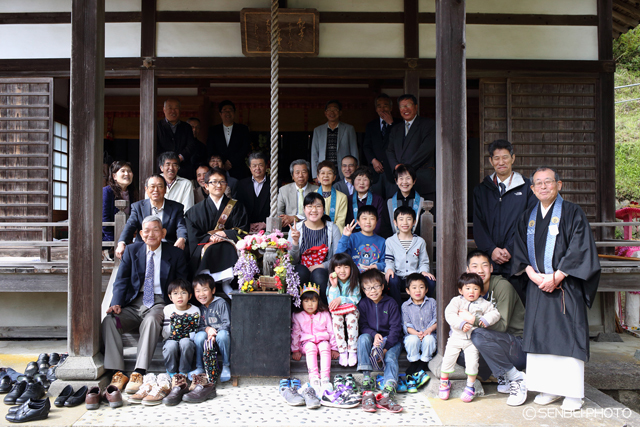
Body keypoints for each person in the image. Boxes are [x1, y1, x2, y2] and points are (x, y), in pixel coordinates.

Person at [512, 167, 600, 411]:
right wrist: (532, 274)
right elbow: (519, 250)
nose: (543, 187)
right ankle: (548, 389)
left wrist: (557, 276)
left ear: (558, 185)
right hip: (537, 286)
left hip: (565, 287)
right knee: (539, 337)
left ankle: (572, 393)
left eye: (548, 182)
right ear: (531, 189)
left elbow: (580, 248)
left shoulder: (573, 212)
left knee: (567, 337)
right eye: (538, 183)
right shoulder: (528, 217)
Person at [102, 216, 189, 391]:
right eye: (147, 231)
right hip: (134, 302)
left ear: (163, 232)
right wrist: (116, 302)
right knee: (111, 321)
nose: (151, 234)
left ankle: (138, 372)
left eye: (156, 230)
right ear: (141, 234)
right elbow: (121, 280)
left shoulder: (175, 253)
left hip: (159, 301)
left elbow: (182, 281)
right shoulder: (132, 251)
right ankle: (118, 372)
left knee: (150, 321)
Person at [465, 249, 527, 406]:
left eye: (484, 265)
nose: (480, 270)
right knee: (461, 354)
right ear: (468, 270)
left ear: (491, 268)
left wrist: (473, 320)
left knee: (478, 335)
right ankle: (503, 374)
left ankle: (516, 378)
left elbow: (503, 326)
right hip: (496, 343)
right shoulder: (471, 291)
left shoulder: (502, 287)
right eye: (475, 266)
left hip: (517, 345)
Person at [473, 139, 536, 281]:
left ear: (512, 158)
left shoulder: (527, 188)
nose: (501, 162)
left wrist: (510, 249)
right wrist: (492, 250)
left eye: (505, 157)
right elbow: (478, 225)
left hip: (519, 261)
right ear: (491, 161)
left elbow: (531, 222)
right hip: (490, 261)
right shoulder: (481, 190)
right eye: (496, 158)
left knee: (517, 300)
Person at [184, 167, 248, 292]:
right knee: (212, 247)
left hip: (229, 243)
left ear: (226, 185)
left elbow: (243, 229)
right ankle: (206, 284)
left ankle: (226, 282)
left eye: (222, 182)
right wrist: (210, 238)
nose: (218, 185)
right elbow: (193, 235)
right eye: (214, 182)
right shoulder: (194, 211)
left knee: (225, 246)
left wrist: (224, 233)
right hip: (207, 243)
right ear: (206, 186)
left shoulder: (237, 207)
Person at [440, 273, 500, 403]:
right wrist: (461, 324)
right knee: (448, 359)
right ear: (460, 290)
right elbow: (449, 314)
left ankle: (470, 386)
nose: (471, 291)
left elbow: (496, 313)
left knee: (472, 363)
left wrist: (485, 319)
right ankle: (444, 382)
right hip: (456, 337)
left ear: (480, 290)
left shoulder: (484, 303)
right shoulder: (457, 301)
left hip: (472, 340)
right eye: (467, 288)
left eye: (475, 288)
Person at [357, 269, 403, 413]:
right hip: (374, 337)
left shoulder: (391, 303)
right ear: (363, 290)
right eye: (368, 288)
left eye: (376, 286)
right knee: (363, 338)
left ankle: (388, 388)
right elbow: (363, 326)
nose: (373, 291)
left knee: (390, 356)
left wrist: (385, 347)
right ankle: (366, 378)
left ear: (383, 286)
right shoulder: (363, 304)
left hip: (391, 339)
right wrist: (374, 334)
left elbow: (396, 329)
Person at [116, 174, 187, 259]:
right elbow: (130, 225)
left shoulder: (176, 207)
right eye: (152, 187)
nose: (156, 190)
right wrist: (121, 242)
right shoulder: (138, 207)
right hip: (144, 247)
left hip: (167, 248)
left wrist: (181, 238)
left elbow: (181, 226)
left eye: (160, 186)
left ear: (165, 189)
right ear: (146, 189)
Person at [288, 193, 342, 303]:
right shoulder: (296, 228)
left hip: (324, 269)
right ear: (304, 209)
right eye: (310, 206)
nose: (314, 210)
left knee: (319, 274)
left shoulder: (332, 228)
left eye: (318, 206)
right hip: (301, 268)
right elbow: (291, 260)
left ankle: (323, 311)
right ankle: (296, 309)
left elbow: (337, 257)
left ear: (323, 209)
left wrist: (321, 265)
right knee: (301, 272)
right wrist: (295, 242)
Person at [386, 94, 436, 206]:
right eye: (402, 107)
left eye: (408, 105)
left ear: (416, 107)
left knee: (424, 217)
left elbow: (426, 149)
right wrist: (396, 166)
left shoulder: (428, 124)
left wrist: (405, 168)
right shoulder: (396, 129)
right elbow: (389, 151)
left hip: (422, 179)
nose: (405, 109)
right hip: (401, 181)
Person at [291, 284, 339, 396]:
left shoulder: (325, 314)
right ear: (301, 302)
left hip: (322, 341)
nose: (310, 304)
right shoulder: (298, 315)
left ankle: (325, 378)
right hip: (306, 343)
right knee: (311, 348)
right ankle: (314, 378)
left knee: (324, 347)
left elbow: (332, 332)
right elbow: (295, 333)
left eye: (313, 301)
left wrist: (334, 348)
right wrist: (295, 350)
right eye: (306, 301)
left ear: (318, 301)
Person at [384, 206, 436, 307]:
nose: (405, 223)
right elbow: (389, 260)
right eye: (401, 219)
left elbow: (423, 261)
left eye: (409, 219)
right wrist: (389, 269)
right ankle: (398, 309)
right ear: (395, 222)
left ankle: (422, 307)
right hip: (398, 275)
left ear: (414, 222)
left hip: (414, 276)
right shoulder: (390, 241)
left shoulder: (420, 241)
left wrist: (424, 271)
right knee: (392, 280)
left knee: (430, 282)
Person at [192, 274, 231, 383]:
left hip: (221, 340)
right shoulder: (199, 308)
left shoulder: (221, 303)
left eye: (205, 290)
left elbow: (227, 323)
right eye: (198, 291)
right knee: (199, 336)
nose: (201, 294)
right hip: (207, 343)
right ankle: (200, 367)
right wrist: (207, 329)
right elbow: (198, 326)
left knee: (223, 335)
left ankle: (226, 366)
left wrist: (214, 333)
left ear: (213, 290)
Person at [363, 94, 402, 199]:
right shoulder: (371, 125)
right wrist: (373, 160)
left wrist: (391, 124)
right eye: (379, 106)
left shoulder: (399, 123)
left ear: (391, 107)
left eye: (385, 105)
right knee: (376, 202)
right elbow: (366, 146)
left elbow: (401, 143)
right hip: (376, 172)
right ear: (376, 109)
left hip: (392, 170)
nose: (382, 108)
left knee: (393, 201)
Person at [327, 253, 361, 367]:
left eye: (346, 267)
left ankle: (352, 350)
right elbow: (331, 303)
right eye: (338, 267)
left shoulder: (354, 281)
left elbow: (355, 299)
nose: (342, 270)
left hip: (351, 310)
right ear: (333, 269)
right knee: (336, 319)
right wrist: (334, 286)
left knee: (351, 318)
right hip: (338, 312)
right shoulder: (331, 282)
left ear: (351, 268)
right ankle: (342, 351)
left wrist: (341, 299)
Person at [162, 279, 200, 379]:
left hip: (188, 339)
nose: (179, 296)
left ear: (190, 296)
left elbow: (196, 329)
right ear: (170, 297)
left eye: (183, 293)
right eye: (175, 293)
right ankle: (171, 371)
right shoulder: (168, 309)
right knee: (171, 346)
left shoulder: (195, 310)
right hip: (171, 338)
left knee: (185, 343)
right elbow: (165, 329)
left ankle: (184, 370)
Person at [311, 100, 358, 180]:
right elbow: (314, 153)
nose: (332, 112)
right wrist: (315, 175)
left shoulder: (349, 129)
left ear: (340, 113)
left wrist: (355, 172)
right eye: (329, 110)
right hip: (325, 171)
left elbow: (354, 151)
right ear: (325, 113)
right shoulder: (318, 130)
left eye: (335, 110)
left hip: (344, 171)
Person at [401, 273, 437, 377]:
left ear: (426, 290)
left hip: (429, 333)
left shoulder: (432, 302)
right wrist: (417, 334)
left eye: (421, 287)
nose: (418, 291)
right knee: (412, 340)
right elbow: (406, 324)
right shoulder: (405, 306)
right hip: (413, 334)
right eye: (414, 288)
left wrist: (428, 331)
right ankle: (414, 363)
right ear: (408, 291)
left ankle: (424, 362)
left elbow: (436, 320)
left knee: (429, 339)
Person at [206, 100, 251, 180]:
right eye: (224, 111)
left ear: (234, 113)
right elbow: (210, 148)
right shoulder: (213, 130)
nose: (227, 113)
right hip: (218, 169)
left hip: (239, 168)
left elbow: (245, 147)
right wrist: (222, 162)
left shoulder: (243, 129)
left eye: (230, 110)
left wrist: (231, 162)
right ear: (220, 114)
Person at [157, 98, 197, 180]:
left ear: (180, 110)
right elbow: (154, 146)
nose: (173, 111)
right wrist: (167, 160)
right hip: (163, 170)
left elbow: (191, 145)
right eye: (170, 108)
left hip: (183, 169)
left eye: (176, 108)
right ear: (164, 110)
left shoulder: (186, 127)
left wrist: (180, 157)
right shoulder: (157, 126)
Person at [338, 206, 386, 273]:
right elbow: (338, 256)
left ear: (377, 221)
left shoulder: (382, 241)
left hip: (373, 275)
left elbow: (385, 263)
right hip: (354, 275)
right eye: (364, 218)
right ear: (358, 221)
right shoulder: (352, 237)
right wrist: (345, 237)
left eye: (372, 218)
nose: (368, 222)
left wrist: (376, 266)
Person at [277, 159, 319, 229]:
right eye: (297, 172)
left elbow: (318, 211)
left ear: (308, 175)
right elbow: (279, 211)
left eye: (304, 172)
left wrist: (295, 218)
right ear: (292, 176)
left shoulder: (316, 190)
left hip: (311, 226)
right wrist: (284, 219)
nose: (300, 175)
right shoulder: (283, 190)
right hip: (289, 227)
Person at [236, 152, 271, 233]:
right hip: (247, 229)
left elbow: (279, 209)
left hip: (268, 229)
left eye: (260, 165)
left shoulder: (275, 183)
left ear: (266, 166)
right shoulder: (242, 184)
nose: (257, 168)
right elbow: (239, 208)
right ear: (250, 167)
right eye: (254, 166)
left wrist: (266, 224)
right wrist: (247, 224)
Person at [346, 167, 386, 236]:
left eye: (365, 180)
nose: (361, 183)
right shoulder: (348, 200)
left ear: (370, 182)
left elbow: (380, 222)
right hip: (353, 238)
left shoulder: (378, 199)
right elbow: (347, 221)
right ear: (353, 182)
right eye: (358, 179)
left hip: (373, 237)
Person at [387, 164, 426, 235]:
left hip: (417, 243)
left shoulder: (422, 202)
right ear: (396, 181)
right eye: (401, 178)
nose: (404, 182)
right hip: (393, 243)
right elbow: (385, 227)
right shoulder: (389, 202)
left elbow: (424, 226)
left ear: (414, 181)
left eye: (408, 178)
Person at [102, 160, 136, 242]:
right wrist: (114, 240)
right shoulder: (107, 191)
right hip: (109, 239)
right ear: (114, 176)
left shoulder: (131, 192)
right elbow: (104, 219)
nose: (127, 174)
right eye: (123, 171)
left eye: (129, 171)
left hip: (125, 237)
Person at [316, 160, 348, 231]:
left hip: (336, 235)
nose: (326, 176)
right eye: (323, 173)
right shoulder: (313, 196)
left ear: (334, 177)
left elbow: (340, 222)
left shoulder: (342, 197)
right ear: (318, 177)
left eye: (329, 173)